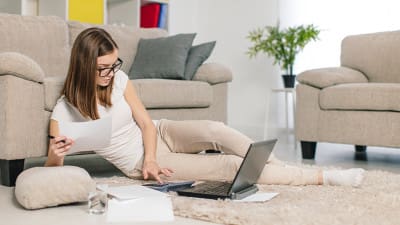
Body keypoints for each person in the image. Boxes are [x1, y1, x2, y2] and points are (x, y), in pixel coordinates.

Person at [45, 27, 365, 187]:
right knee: (227, 168)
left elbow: (145, 123)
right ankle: (322, 178)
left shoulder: (119, 79)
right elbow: (51, 172)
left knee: (217, 130)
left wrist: (153, 152)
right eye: (104, 68)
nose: (112, 73)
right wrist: (55, 157)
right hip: (141, 161)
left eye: (116, 64)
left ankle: (282, 170)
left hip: (159, 134)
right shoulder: (64, 112)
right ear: (84, 66)